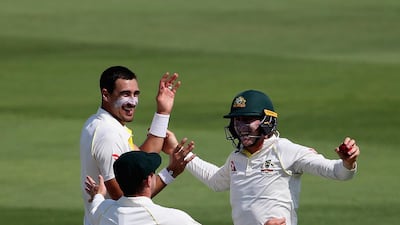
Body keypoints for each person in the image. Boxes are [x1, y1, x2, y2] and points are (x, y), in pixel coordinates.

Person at [182, 89, 360, 225]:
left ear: (267, 121)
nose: (240, 126)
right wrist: (182, 153)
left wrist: (348, 162)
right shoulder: (237, 157)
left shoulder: (285, 150)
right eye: (237, 120)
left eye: (247, 119)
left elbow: (339, 173)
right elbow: (216, 181)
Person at [80, 66, 184, 225]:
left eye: (136, 94)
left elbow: (141, 161)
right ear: (106, 94)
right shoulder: (108, 135)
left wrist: (163, 112)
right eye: (125, 94)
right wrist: (170, 172)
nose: (132, 102)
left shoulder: (105, 125)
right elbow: (127, 197)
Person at [84, 149, 201, 225]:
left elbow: (96, 206)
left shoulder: (103, 211)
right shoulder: (173, 218)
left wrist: (98, 195)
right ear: (149, 180)